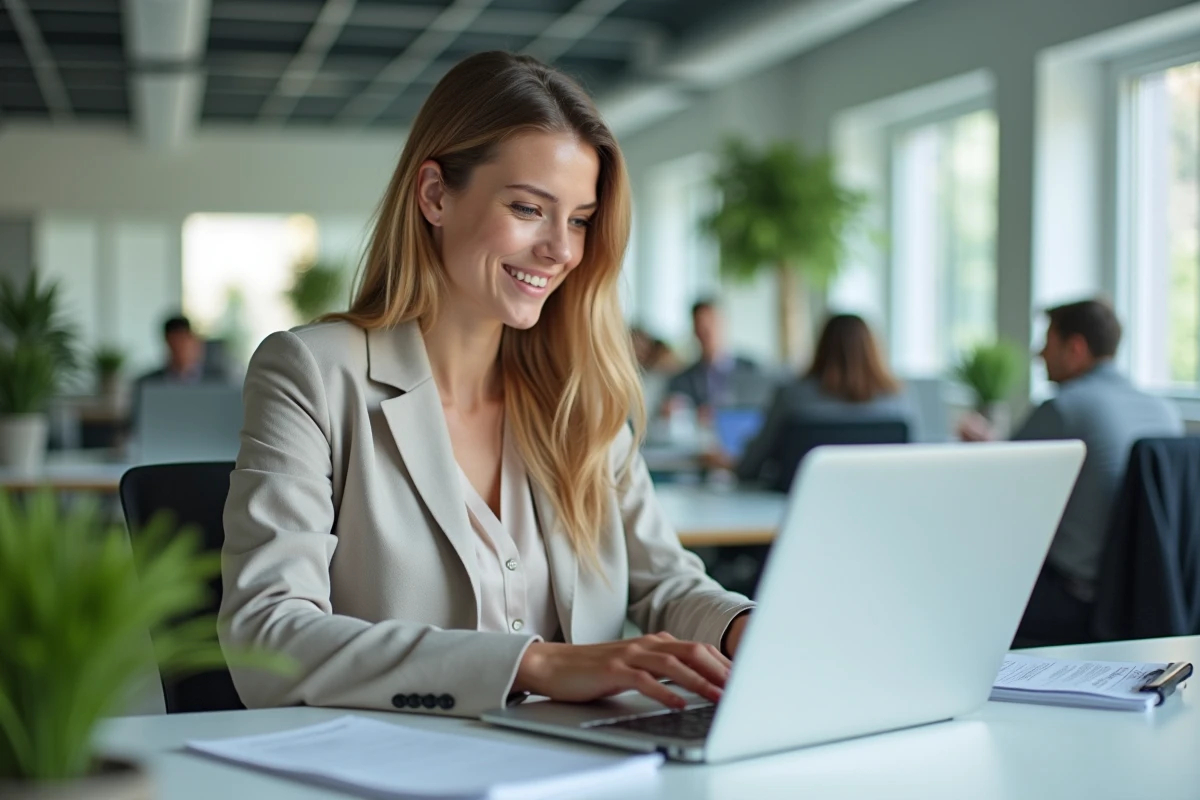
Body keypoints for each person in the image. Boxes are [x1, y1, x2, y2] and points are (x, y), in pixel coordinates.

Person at [218, 51, 754, 720]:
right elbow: (265, 637)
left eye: (581, 219)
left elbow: (664, 584)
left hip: (581, 769)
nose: (561, 249)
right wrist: (534, 664)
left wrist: (745, 628)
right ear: (435, 195)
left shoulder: (577, 396)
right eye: (530, 208)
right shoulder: (314, 374)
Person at [959, 299, 1183, 644]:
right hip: (1148, 599)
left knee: (964, 587)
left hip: (1075, 601)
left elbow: (996, 481)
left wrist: (980, 446)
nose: (1038, 355)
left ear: (1075, 348)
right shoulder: (1165, 412)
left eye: (1047, 343)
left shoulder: (1064, 408)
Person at [730, 313, 917, 484]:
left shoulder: (792, 396)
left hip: (800, 512)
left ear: (821, 346)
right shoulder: (897, 400)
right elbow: (910, 467)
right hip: (877, 507)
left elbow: (749, 467)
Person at [665, 299, 772, 415]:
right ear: (694, 330)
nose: (708, 332)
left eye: (712, 323)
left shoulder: (753, 371)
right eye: (702, 326)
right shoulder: (681, 382)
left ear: (724, 324)